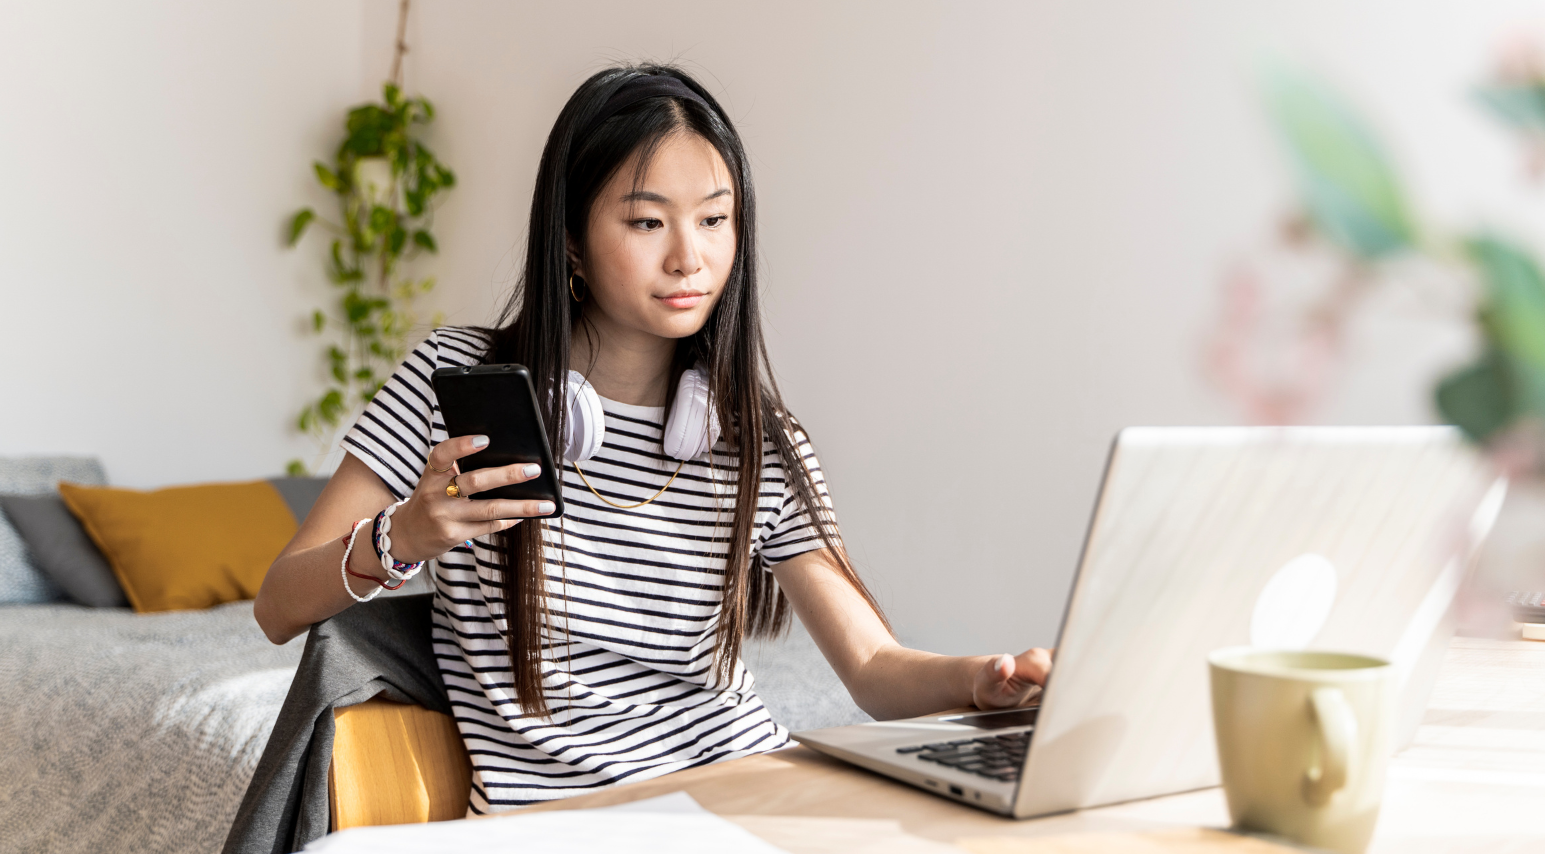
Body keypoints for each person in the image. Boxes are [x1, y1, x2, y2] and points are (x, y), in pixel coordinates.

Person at [253, 64, 1051, 814]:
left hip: (746, 798)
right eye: (646, 221)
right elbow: (279, 604)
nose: (690, 257)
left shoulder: (757, 442)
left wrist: (983, 681)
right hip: (561, 832)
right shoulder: (456, 379)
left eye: (714, 219)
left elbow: (874, 670)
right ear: (570, 239)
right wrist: (403, 537)